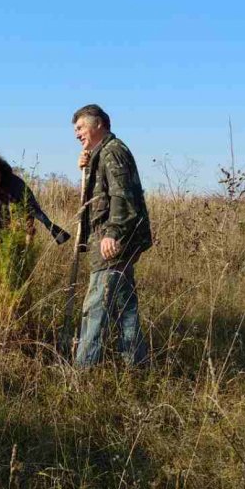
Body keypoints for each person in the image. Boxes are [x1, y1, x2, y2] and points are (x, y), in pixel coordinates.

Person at [72, 104, 152, 367]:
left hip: (112, 242)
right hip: (111, 239)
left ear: (99, 125)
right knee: (124, 307)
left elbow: (122, 195)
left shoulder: (112, 152)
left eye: (81, 127)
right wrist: (86, 164)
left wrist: (113, 233)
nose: (77, 134)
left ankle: (82, 373)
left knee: (95, 308)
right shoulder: (102, 152)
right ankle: (137, 366)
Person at [0, 149, 70, 331]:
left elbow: (28, 221)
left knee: (16, 280)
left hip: (13, 238)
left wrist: (25, 249)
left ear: (0, 174)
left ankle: (15, 325)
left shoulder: (14, 190)